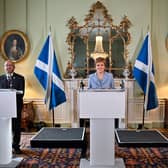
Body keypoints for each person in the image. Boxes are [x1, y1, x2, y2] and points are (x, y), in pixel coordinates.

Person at [0, 60, 25, 154]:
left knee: (16, 127)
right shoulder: (0, 78)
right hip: (3, 107)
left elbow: (22, 93)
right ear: (4, 67)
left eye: (10, 65)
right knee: (4, 127)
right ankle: (4, 146)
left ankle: (16, 146)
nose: (8, 67)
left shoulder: (20, 78)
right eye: (6, 65)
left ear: (14, 67)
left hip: (16, 106)